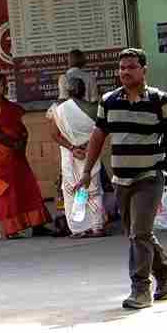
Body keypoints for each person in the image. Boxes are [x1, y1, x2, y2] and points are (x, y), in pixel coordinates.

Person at [79, 48, 167, 310]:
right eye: (121, 68)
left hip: (149, 177)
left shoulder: (159, 100)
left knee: (139, 233)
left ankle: (140, 289)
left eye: (131, 67)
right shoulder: (108, 101)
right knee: (137, 233)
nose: (125, 72)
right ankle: (166, 272)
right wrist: (86, 171)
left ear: (144, 70)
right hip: (121, 180)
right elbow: (98, 137)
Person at [0, 72, 54, 239]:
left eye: (5, 83)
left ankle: (37, 225)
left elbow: (20, 127)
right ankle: (11, 229)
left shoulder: (10, 106)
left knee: (29, 188)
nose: (6, 86)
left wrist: (22, 142)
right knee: (8, 193)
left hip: (17, 155)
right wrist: (13, 144)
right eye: (2, 84)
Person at [47, 75, 107, 237]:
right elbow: (101, 132)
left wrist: (73, 148)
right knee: (93, 189)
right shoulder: (95, 108)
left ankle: (79, 228)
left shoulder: (59, 110)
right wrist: (87, 146)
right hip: (90, 154)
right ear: (84, 90)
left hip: (71, 156)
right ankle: (97, 226)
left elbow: (54, 135)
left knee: (73, 190)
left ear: (67, 91)